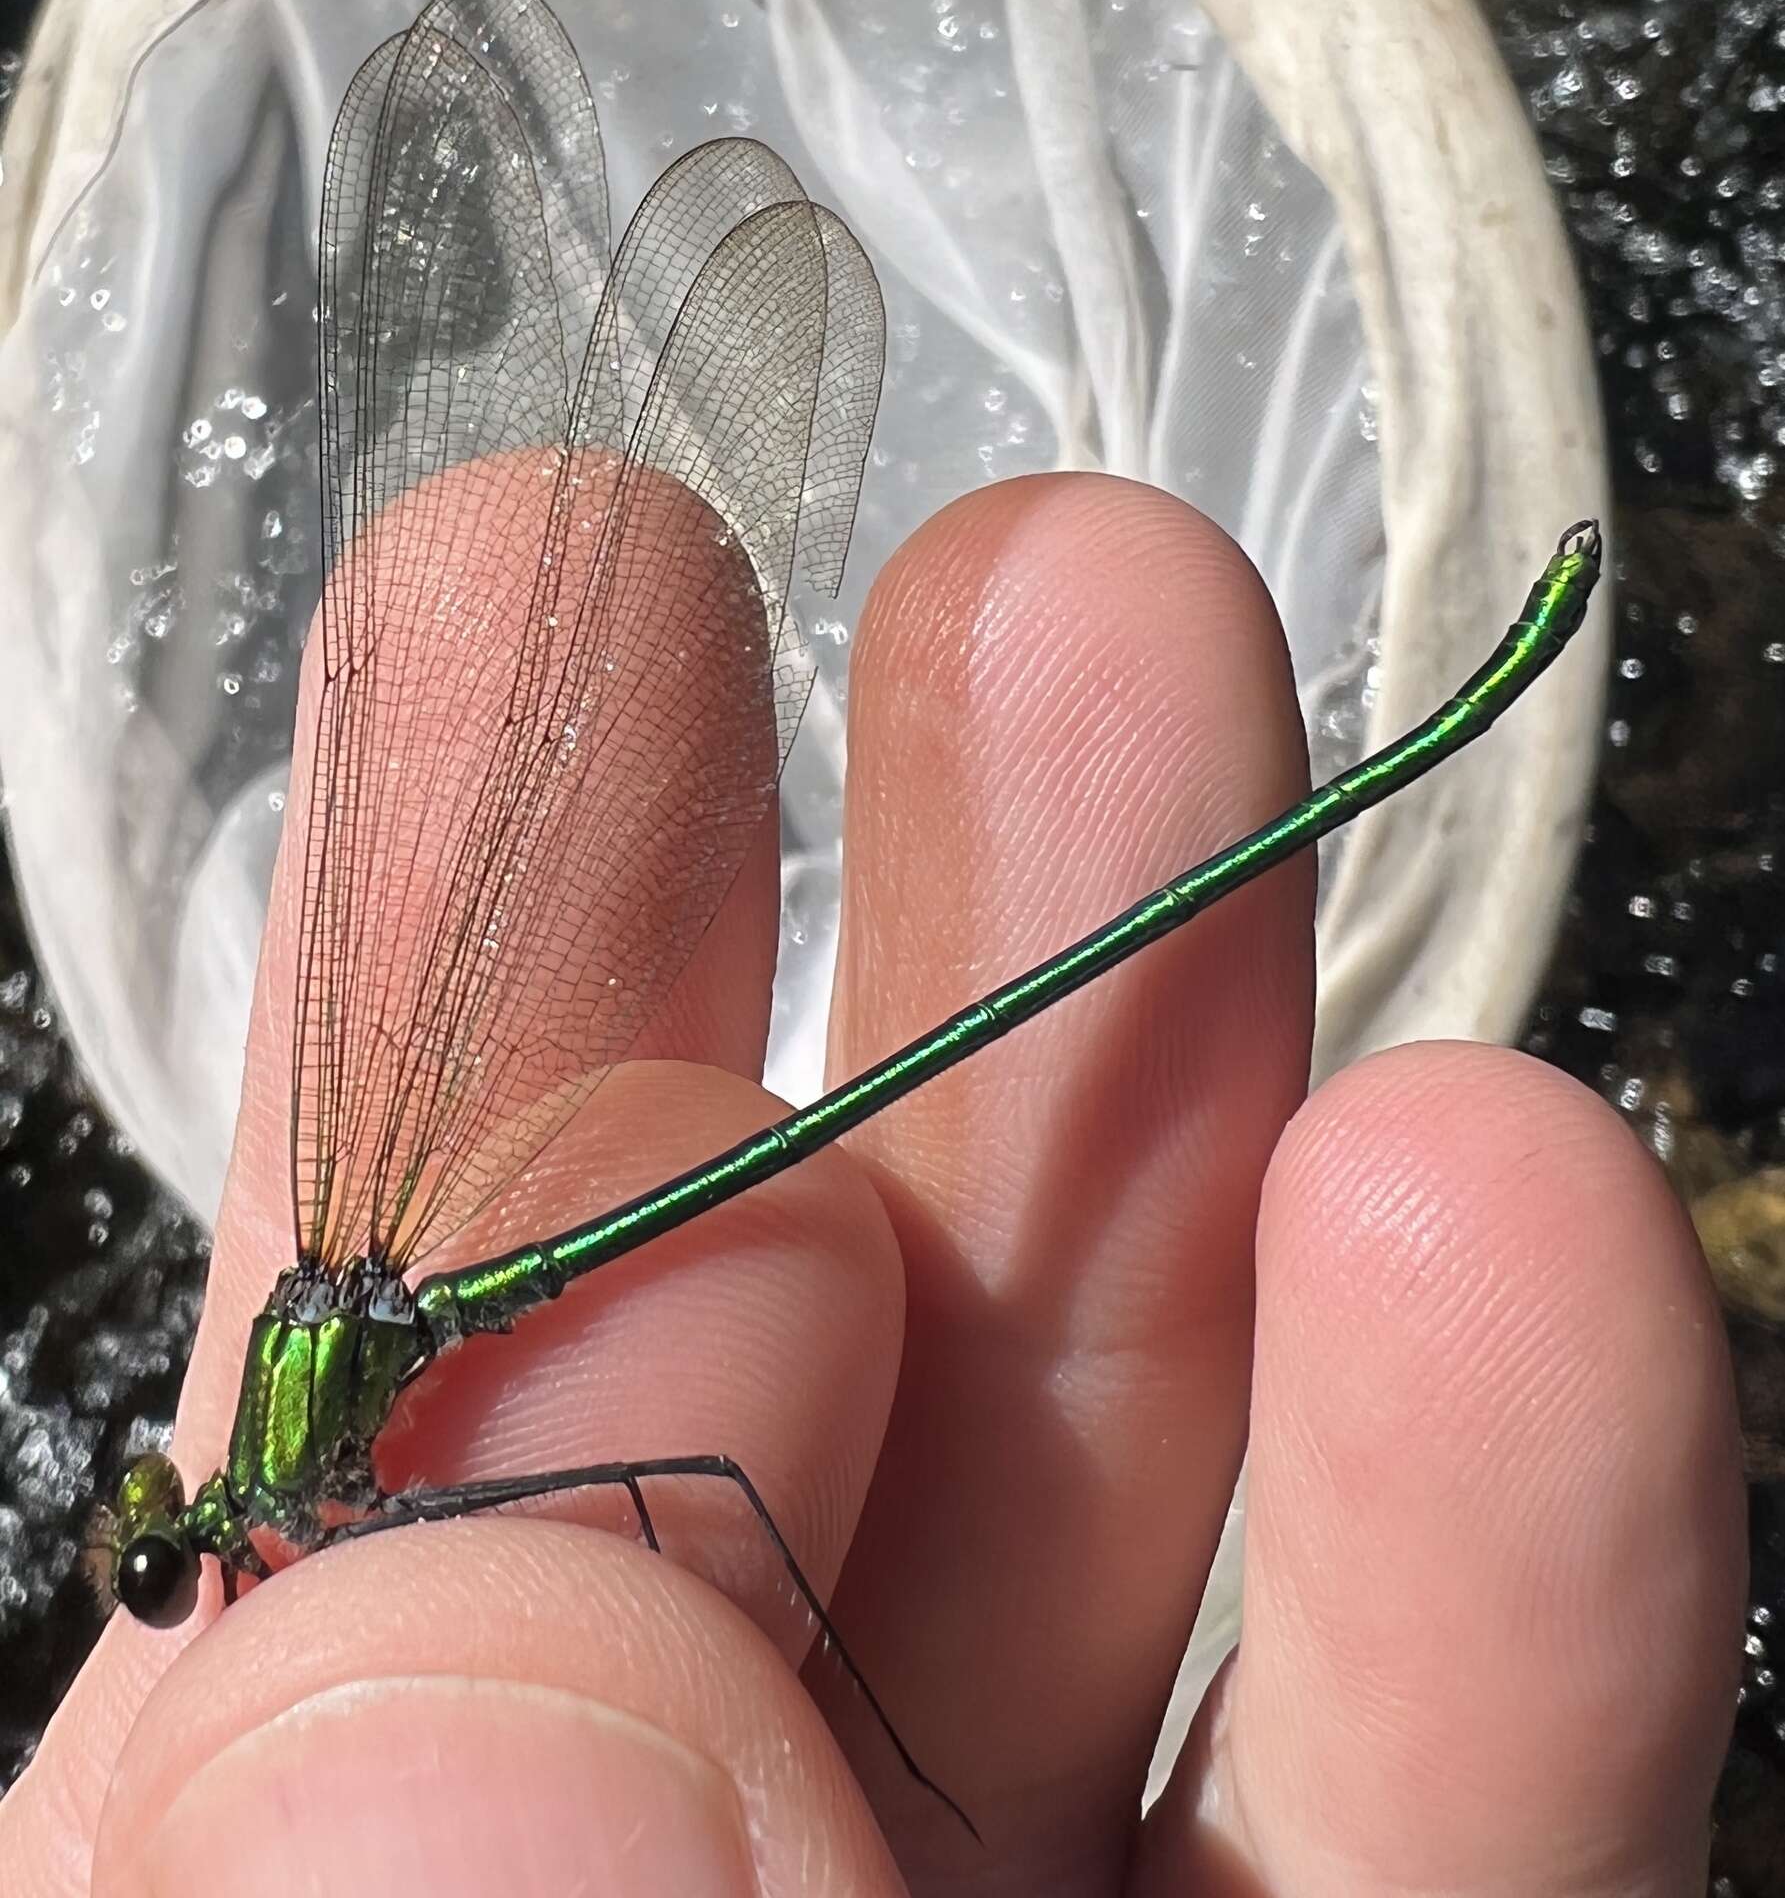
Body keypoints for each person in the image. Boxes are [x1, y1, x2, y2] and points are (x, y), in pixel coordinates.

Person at [0, 478, 1744, 1895]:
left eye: (177, 1567)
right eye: (174, 1570)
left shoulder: (278, 1487)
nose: (191, 1565)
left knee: (691, 1453)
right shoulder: (270, 1472)